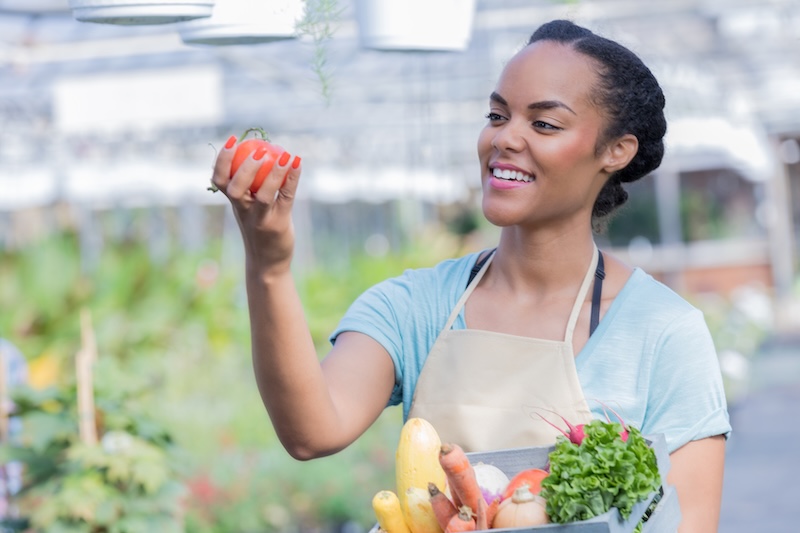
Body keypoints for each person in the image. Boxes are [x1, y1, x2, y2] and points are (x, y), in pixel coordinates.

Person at [209, 19, 731, 532]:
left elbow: (689, 523)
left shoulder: (664, 333)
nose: (505, 138)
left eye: (544, 124)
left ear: (616, 151)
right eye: (497, 115)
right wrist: (269, 266)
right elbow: (311, 431)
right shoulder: (415, 306)